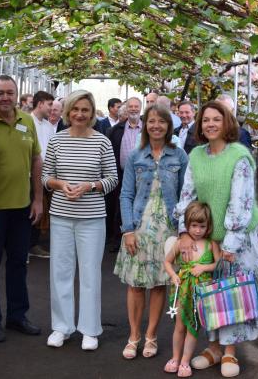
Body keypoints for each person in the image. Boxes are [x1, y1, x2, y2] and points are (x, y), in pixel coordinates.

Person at [173, 101, 258, 378]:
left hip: (238, 239)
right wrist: (183, 232)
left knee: (233, 292)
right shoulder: (196, 155)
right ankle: (213, 347)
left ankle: (230, 352)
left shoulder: (239, 155)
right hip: (207, 237)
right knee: (210, 293)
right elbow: (187, 196)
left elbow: (242, 203)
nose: (210, 124)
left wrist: (230, 244)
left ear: (227, 123)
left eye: (216, 119)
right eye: (205, 120)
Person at [41, 90, 119, 351]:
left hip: (92, 218)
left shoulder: (102, 142)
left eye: (85, 110)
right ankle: (61, 327)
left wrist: (90, 186)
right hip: (61, 215)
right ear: (67, 111)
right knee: (60, 272)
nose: (80, 114)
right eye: (75, 109)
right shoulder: (57, 140)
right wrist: (61, 184)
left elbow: (112, 178)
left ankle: (89, 329)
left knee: (89, 274)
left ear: (91, 112)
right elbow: (45, 176)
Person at [114, 105, 189, 360]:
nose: (156, 126)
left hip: (167, 230)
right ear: (145, 125)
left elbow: (186, 196)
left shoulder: (179, 156)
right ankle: (133, 336)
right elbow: (126, 194)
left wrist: (184, 232)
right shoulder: (136, 156)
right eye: (151, 121)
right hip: (139, 227)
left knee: (159, 285)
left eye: (162, 122)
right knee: (135, 285)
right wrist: (128, 230)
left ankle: (151, 336)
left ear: (169, 126)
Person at [0, 76, 43, 344]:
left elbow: (36, 159)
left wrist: (38, 199)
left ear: (17, 94)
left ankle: (17, 316)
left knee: (19, 263)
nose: (5, 97)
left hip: (21, 208)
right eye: (0, 93)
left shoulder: (27, 121)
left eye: (10, 92)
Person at [163, 202, 221, 378]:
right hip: (182, 292)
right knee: (179, 326)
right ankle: (175, 357)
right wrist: (173, 275)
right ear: (187, 225)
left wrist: (203, 268)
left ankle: (185, 361)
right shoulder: (181, 243)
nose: (197, 230)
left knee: (192, 327)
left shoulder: (211, 244)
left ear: (208, 226)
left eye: (202, 226)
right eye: (194, 226)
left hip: (201, 293)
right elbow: (167, 261)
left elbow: (218, 264)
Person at [105, 97, 143, 251]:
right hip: (121, 175)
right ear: (127, 109)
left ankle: (139, 236)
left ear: (141, 108)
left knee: (140, 205)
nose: (133, 109)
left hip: (143, 174)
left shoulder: (148, 127)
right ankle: (117, 239)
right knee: (120, 207)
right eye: (131, 106)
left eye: (136, 106)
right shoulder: (116, 129)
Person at [30, 90, 56, 259]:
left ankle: (33, 243)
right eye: (49, 105)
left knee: (41, 209)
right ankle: (29, 245)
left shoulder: (48, 126)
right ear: (40, 104)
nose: (52, 109)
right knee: (31, 209)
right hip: (30, 175)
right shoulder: (26, 122)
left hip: (46, 176)